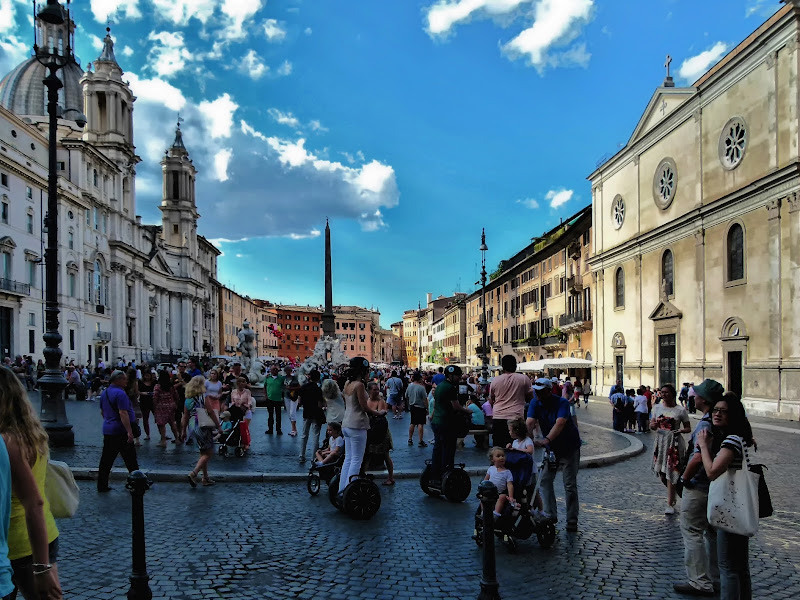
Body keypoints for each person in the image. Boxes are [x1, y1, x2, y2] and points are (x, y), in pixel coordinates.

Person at [0, 368, 62, 600]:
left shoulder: (7, 441)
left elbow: (32, 501)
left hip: (21, 543)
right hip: (44, 533)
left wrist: (41, 567)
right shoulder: (31, 432)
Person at [696, 392, 755, 600]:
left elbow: (712, 471)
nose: (717, 414)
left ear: (734, 416)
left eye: (724, 411)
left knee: (728, 567)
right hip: (740, 507)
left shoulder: (731, 441)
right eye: (716, 410)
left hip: (730, 508)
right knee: (740, 567)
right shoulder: (743, 439)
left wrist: (703, 445)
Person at [674, 379, 723, 597]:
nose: (693, 397)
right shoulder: (719, 421)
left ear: (703, 399)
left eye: (697, 394)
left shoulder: (705, 424)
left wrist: (683, 479)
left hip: (699, 485)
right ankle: (715, 578)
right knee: (711, 534)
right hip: (715, 486)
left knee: (692, 531)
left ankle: (699, 581)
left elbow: (696, 458)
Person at [526, 377, 582, 532]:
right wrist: (524, 439)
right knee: (544, 480)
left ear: (549, 391)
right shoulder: (535, 403)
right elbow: (530, 422)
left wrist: (546, 439)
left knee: (569, 484)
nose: (538, 395)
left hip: (569, 447)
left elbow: (560, 423)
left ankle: (572, 520)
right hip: (552, 449)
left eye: (541, 392)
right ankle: (551, 514)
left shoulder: (562, 402)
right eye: (536, 392)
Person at [338, 358, 386, 495]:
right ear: (362, 371)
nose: (368, 374)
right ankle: (350, 490)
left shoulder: (347, 383)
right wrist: (379, 413)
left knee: (348, 459)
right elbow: (364, 407)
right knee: (356, 460)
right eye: (367, 371)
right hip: (357, 424)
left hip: (346, 423)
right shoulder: (359, 385)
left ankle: (342, 489)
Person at [650, 383, 691, 515]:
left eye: (666, 392)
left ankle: (670, 502)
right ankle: (675, 493)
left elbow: (688, 428)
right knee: (662, 474)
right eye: (662, 392)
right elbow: (652, 426)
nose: (663, 394)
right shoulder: (656, 408)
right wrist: (653, 425)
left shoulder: (680, 410)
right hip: (660, 442)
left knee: (671, 471)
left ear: (673, 394)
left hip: (674, 442)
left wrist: (679, 430)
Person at [97, 370, 139, 493]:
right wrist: (129, 431)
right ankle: (136, 481)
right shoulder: (120, 394)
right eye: (124, 379)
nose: (126, 381)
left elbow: (102, 412)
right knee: (130, 459)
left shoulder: (105, 393)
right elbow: (123, 413)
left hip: (108, 429)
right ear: (118, 380)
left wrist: (109, 421)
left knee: (106, 460)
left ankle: (102, 485)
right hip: (120, 431)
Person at [430, 365, 473, 485]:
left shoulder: (439, 387)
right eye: (458, 376)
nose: (459, 378)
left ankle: (435, 474)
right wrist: (467, 411)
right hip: (446, 422)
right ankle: (446, 472)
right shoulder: (450, 388)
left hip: (436, 422)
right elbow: (456, 406)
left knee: (437, 449)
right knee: (448, 449)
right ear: (451, 375)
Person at [183, 376, 222, 487]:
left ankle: (205, 478)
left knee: (203, 452)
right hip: (202, 425)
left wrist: (183, 431)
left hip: (192, 426)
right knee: (209, 453)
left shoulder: (187, 399)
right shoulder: (203, 396)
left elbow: (185, 416)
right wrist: (218, 426)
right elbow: (210, 411)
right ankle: (194, 473)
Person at [488, 355, 532, 448]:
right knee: (516, 446)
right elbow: (530, 398)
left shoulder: (495, 380)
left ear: (502, 366)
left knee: (499, 447)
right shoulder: (524, 379)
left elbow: (491, 399)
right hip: (516, 417)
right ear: (515, 366)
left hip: (498, 416)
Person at [366, 382, 394, 486]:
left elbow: (381, 414)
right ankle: (363, 475)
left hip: (380, 431)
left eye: (378, 389)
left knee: (385, 454)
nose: (377, 391)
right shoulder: (366, 400)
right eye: (375, 389)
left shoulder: (380, 401)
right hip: (370, 430)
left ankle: (391, 477)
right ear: (369, 391)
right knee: (368, 453)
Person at [298, 370, 326, 463]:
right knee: (316, 436)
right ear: (318, 378)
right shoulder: (318, 389)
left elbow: (299, 402)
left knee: (304, 435)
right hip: (316, 414)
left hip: (306, 413)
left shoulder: (303, 387)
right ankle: (314, 457)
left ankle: (301, 455)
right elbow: (319, 404)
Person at [483, 447, 516, 518]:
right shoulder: (491, 469)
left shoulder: (507, 472)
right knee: (483, 498)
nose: (501, 458)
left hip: (500, 492)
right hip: (490, 491)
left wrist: (511, 497)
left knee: (502, 497)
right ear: (492, 459)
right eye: (498, 456)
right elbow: (486, 480)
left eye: (503, 456)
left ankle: (496, 513)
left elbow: (509, 485)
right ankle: (484, 512)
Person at [153, 371, 180, 448]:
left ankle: (163, 441)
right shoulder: (171, 386)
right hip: (171, 405)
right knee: (172, 423)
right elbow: (176, 396)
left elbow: (155, 397)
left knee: (161, 424)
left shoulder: (158, 387)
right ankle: (177, 438)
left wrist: (154, 406)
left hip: (160, 406)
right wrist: (175, 404)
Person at [405, 372, 428, 447]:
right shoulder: (421, 387)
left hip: (412, 406)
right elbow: (425, 399)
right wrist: (427, 408)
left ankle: (410, 439)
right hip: (420, 407)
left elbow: (406, 396)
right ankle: (420, 441)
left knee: (413, 423)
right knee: (420, 423)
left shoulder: (409, 386)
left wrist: (409, 404)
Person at [230, 378, 253, 452]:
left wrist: (246, 405)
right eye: (240, 382)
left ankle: (246, 443)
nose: (242, 384)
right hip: (237, 411)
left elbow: (250, 401)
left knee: (244, 428)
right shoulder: (233, 392)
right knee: (237, 427)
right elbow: (232, 402)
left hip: (246, 411)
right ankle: (238, 441)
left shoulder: (247, 391)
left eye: (243, 382)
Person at [264, 366, 285, 435]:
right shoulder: (267, 378)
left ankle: (278, 429)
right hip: (269, 399)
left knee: (278, 416)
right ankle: (270, 429)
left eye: (276, 369)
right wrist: (266, 396)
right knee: (270, 415)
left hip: (278, 399)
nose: (275, 370)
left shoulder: (281, 378)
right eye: (273, 369)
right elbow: (265, 387)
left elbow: (284, 386)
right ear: (270, 370)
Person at [125, 368, 142, 447]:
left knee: (126, 420)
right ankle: (137, 439)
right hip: (134, 402)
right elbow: (137, 393)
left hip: (126, 402)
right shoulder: (135, 382)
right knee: (135, 422)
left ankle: (126, 437)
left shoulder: (125, 381)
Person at [282, 367, 301, 437]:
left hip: (293, 397)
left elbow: (299, 386)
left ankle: (293, 430)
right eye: (286, 370)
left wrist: (291, 388)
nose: (288, 372)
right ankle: (294, 429)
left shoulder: (294, 378)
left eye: (289, 370)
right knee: (289, 414)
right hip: (286, 397)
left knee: (292, 413)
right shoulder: (283, 378)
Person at [138, 370, 155, 441]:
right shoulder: (140, 383)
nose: (147, 377)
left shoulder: (154, 382)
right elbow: (137, 391)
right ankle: (147, 434)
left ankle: (162, 433)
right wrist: (143, 393)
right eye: (145, 375)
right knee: (145, 419)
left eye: (148, 375)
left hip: (153, 402)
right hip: (144, 402)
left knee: (158, 418)